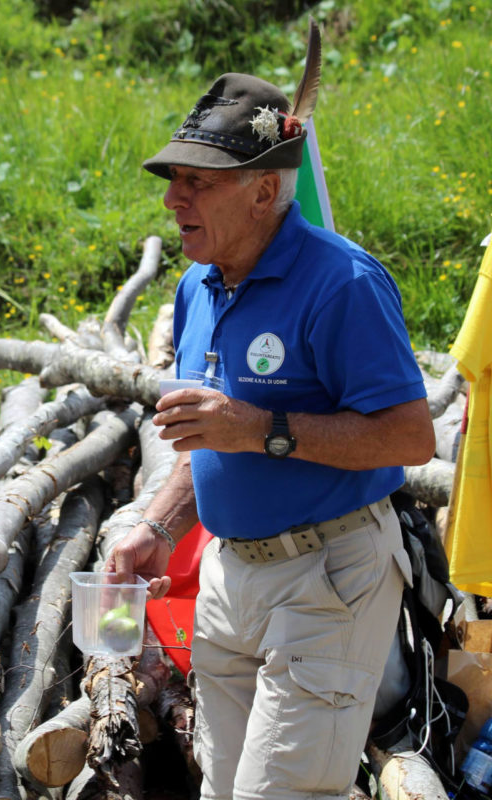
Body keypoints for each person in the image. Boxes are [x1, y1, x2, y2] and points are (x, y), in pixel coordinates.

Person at [108, 69, 435, 799]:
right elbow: (211, 439)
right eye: (173, 180)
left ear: (263, 192)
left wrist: (261, 429)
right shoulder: (197, 286)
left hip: (327, 579)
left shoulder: (343, 283)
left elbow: (410, 437)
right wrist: (158, 526)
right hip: (229, 580)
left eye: (198, 182)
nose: (173, 199)